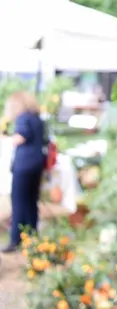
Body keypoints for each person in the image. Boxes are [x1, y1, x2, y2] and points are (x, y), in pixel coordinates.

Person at [2, 92, 46, 253]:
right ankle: (32, 236)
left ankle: (15, 239)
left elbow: (20, 138)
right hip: (36, 165)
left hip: (24, 165)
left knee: (19, 202)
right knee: (31, 202)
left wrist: (5, 139)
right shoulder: (37, 118)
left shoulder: (23, 118)